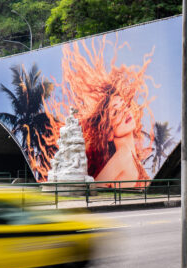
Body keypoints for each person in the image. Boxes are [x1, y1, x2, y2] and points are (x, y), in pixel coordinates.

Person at [48, 35, 155, 187]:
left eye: (124, 106)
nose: (124, 112)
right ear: (109, 132)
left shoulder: (130, 156)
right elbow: (95, 186)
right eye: (115, 112)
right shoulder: (123, 156)